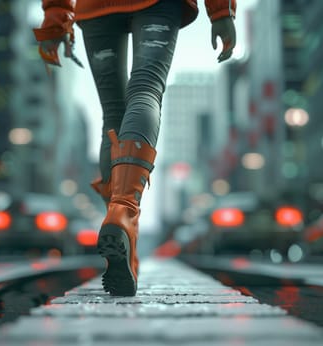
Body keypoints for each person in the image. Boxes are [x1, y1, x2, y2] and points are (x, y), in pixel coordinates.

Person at [33, 0, 237, 296]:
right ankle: (123, 213)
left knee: (113, 115)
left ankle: (123, 235)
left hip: (96, 7)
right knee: (146, 87)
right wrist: (221, 10)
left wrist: (56, 15)